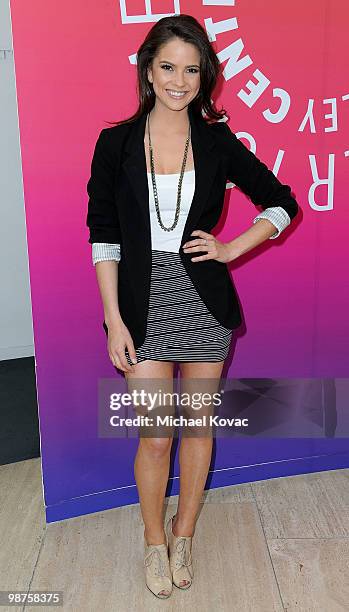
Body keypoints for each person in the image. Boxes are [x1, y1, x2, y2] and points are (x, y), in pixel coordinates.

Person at [86, 14, 299, 599]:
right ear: (147, 70)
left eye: (192, 68)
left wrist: (231, 248)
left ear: (205, 74)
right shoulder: (116, 142)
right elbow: (103, 238)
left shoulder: (216, 140)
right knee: (157, 435)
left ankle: (185, 535)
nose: (180, 80)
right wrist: (115, 321)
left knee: (198, 427)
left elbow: (281, 204)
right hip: (139, 300)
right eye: (167, 67)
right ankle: (154, 541)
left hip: (202, 299)